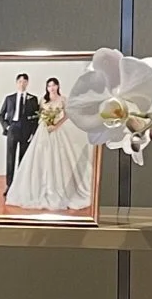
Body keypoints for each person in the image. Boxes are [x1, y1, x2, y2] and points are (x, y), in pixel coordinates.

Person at [6, 77, 95, 213]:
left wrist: (56, 125)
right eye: (49, 86)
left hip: (58, 130)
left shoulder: (63, 99)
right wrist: (46, 122)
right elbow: (39, 114)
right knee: (40, 158)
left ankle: (60, 188)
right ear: (47, 88)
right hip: (44, 130)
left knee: (60, 158)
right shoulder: (43, 100)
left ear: (58, 86)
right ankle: (39, 187)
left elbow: (68, 115)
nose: (51, 88)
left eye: (53, 85)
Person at [0, 73, 41, 191]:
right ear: (17, 83)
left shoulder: (33, 99)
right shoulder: (9, 98)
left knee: (23, 158)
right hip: (13, 129)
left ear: (27, 83)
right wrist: (7, 127)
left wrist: (33, 133)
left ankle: (21, 185)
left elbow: (36, 117)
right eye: (20, 81)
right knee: (10, 157)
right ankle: (9, 185)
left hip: (26, 131)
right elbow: (1, 115)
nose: (22, 84)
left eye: (24, 81)